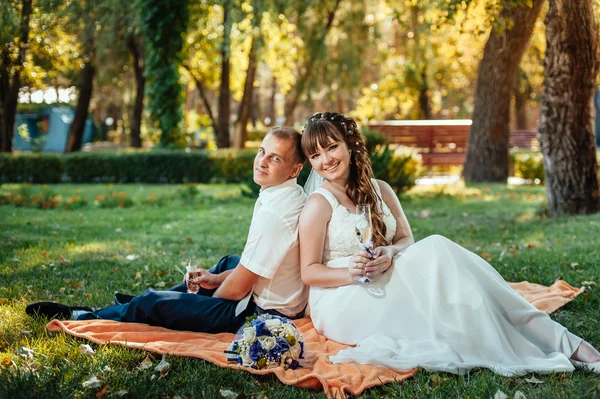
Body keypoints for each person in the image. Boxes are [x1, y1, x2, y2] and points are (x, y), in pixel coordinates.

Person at [299, 112, 600, 375]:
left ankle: (562, 341)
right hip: (341, 298)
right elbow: (309, 272)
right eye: (315, 155)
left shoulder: (381, 190)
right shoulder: (319, 203)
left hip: (385, 275)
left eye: (331, 147)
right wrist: (351, 273)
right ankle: (562, 344)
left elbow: (407, 240)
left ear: (348, 144)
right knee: (453, 273)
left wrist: (389, 252)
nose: (326, 160)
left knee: (452, 266)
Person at [26, 127, 308, 333]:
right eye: (261, 152)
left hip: (256, 313)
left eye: (275, 158)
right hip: (269, 292)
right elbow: (250, 268)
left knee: (155, 303)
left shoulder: (274, 213)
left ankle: (91, 314)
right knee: (226, 264)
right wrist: (216, 277)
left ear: (294, 170)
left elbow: (237, 290)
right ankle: (137, 305)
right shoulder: (284, 193)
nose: (262, 161)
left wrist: (195, 302)